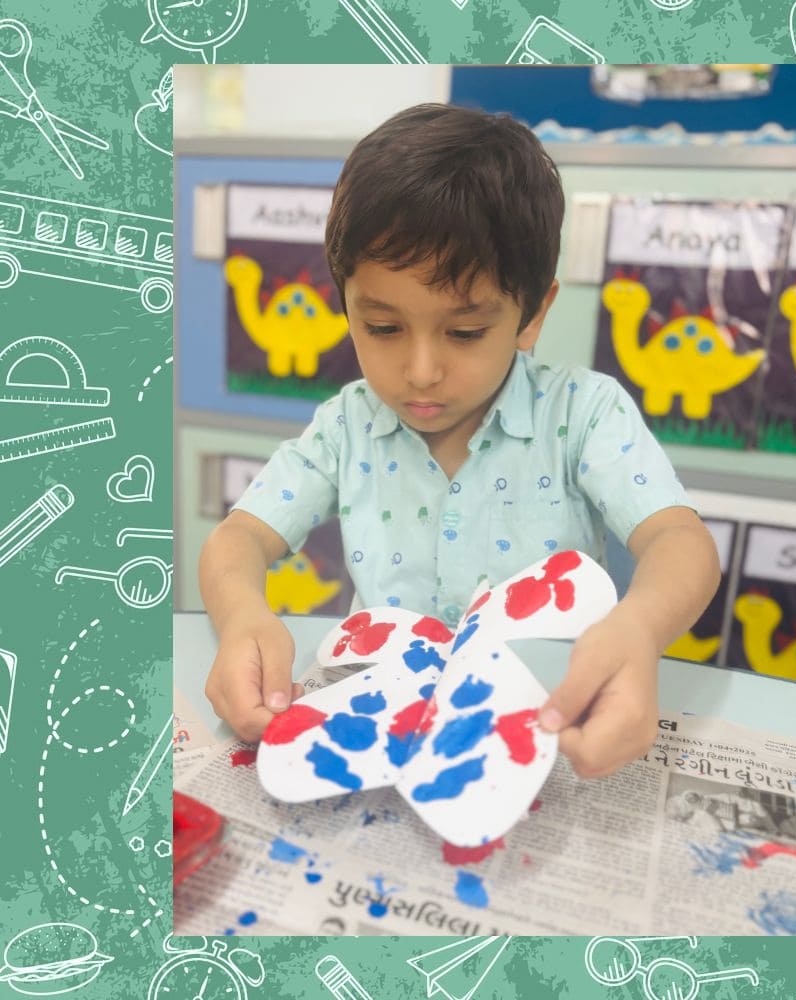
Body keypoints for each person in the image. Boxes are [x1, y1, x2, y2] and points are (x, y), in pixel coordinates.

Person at [200, 103, 721, 779]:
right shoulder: (346, 425)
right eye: (383, 328)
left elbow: (681, 541)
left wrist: (640, 629)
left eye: (465, 332)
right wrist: (244, 615)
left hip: (536, 731)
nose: (421, 371)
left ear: (532, 314)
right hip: (385, 734)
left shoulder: (585, 413)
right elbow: (237, 539)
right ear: (348, 306)